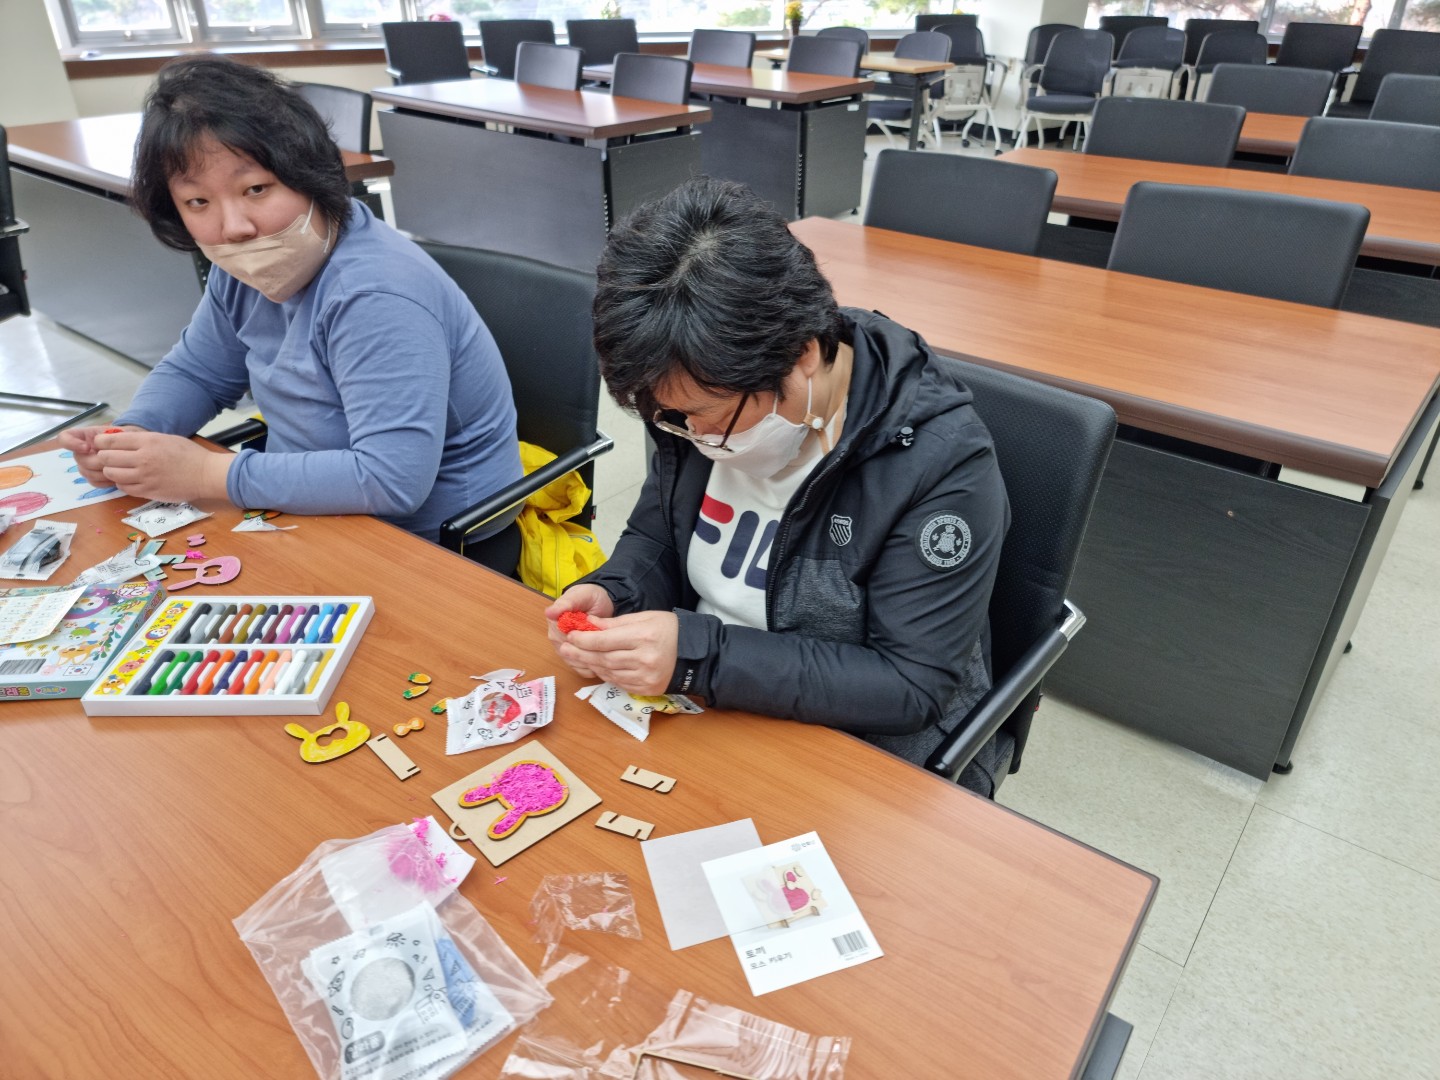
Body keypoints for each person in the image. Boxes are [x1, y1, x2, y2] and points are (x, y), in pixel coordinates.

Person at [545, 178, 1013, 795]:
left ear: (803, 354)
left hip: (857, 746)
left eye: (710, 416)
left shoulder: (939, 462)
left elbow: (910, 685)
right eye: (673, 418)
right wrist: (616, 590)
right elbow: (657, 535)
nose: (695, 436)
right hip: (716, 703)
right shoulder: (688, 402)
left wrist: (700, 657)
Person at [60, 57, 522, 548]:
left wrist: (204, 473)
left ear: (307, 173)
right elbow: (199, 372)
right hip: (308, 504)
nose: (234, 227)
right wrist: (130, 439)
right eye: (198, 202)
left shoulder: (374, 294)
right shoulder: (246, 264)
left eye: (256, 189)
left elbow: (391, 481)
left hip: (430, 539)